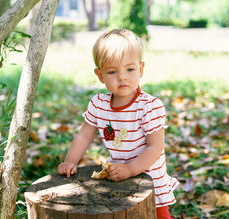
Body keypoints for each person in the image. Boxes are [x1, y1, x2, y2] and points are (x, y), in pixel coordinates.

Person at [57, 29, 179, 219]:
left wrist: (131, 169)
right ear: (100, 75)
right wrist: (70, 161)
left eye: (130, 69)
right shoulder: (99, 104)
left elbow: (155, 147)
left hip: (149, 179)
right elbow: (83, 136)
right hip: (119, 175)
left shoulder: (148, 106)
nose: (122, 76)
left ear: (141, 69)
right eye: (112, 71)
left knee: (158, 216)